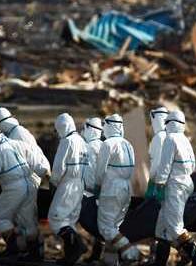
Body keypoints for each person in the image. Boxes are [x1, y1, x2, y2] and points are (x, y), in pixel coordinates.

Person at [0, 126, 50, 260]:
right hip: (30, 184)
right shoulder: (19, 144)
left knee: (1, 216)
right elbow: (37, 163)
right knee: (28, 220)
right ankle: (36, 252)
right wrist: (46, 176)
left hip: (14, 187)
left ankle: (14, 248)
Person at [151, 110, 196, 266]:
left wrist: (159, 184)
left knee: (175, 228)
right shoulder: (184, 139)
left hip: (174, 184)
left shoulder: (170, 139)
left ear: (168, 123)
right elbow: (193, 165)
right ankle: (159, 263)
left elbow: (165, 165)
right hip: (185, 181)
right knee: (161, 229)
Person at [94, 114, 140, 263]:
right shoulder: (128, 144)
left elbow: (100, 171)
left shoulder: (107, 144)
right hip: (126, 188)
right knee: (114, 228)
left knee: (105, 227)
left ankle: (130, 252)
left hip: (111, 189)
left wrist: (98, 187)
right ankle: (110, 261)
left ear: (108, 126)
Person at [49, 113, 89, 266]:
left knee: (56, 219)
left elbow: (59, 167)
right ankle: (70, 256)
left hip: (68, 184)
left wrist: (53, 183)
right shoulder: (82, 141)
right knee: (69, 221)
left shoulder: (67, 141)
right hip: (80, 184)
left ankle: (79, 245)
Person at [81, 117, 105, 263]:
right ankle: (96, 255)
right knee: (98, 223)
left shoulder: (92, 147)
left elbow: (92, 172)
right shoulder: (101, 145)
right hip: (98, 190)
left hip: (92, 191)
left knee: (91, 222)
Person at [145, 107, 168, 199]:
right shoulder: (169, 135)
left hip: (159, 182)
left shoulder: (159, 137)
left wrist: (151, 179)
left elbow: (156, 162)